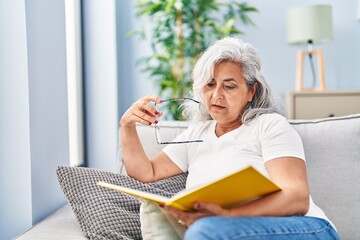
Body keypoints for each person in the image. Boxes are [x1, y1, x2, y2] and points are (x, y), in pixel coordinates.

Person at [120, 37, 339, 239]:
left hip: (307, 227)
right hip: (230, 230)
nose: (217, 95)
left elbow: (297, 198)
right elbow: (146, 172)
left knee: (204, 230)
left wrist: (227, 214)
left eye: (230, 86)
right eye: (210, 84)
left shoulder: (269, 125)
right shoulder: (197, 133)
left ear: (251, 92)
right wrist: (127, 125)